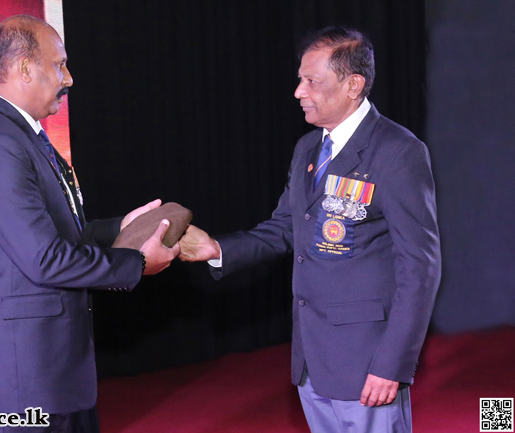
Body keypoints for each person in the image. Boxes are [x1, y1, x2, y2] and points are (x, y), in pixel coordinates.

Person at [179, 26, 441, 433]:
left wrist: (392, 364)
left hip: (367, 362)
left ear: (353, 85)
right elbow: (286, 228)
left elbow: (420, 267)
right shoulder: (308, 148)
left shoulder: (399, 152)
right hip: (311, 357)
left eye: (312, 82)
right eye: (301, 80)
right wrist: (216, 249)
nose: (299, 92)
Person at [0, 15, 180, 433]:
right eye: (60, 65)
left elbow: (57, 234)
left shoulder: (22, 135)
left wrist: (120, 227)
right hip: (22, 380)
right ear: (24, 69)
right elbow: (44, 259)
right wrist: (136, 263)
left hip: (48, 370)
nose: (69, 78)